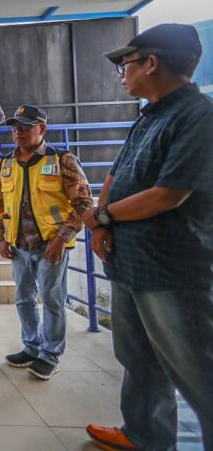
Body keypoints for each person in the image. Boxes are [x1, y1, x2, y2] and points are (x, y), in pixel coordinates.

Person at [83, 24, 213, 451]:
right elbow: (117, 174)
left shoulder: (198, 116)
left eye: (127, 64)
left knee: (194, 366)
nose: (123, 73)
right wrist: (104, 222)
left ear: (152, 63)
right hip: (131, 261)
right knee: (138, 358)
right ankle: (145, 434)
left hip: (169, 268)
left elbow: (168, 194)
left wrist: (102, 215)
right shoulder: (150, 116)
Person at [0, 105, 92, 380]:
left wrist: (62, 239)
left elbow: (84, 203)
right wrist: (1, 237)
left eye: (25, 126)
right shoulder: (6, 164)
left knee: (51, 299)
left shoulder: (63, 160)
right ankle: (31, 347)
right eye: (15, 127)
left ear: (42, 129)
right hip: (19, 246)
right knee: (24, 298)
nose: (17, 132)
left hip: (51, 246)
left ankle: (50, 354)